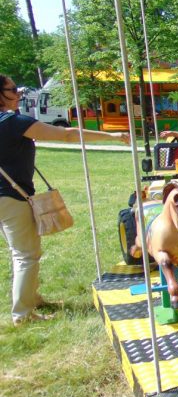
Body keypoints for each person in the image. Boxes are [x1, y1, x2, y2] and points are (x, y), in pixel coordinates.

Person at [0, 74, 130, 327]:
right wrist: (112, 137)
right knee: (26, 255)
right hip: (11, 198)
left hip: (6, 198)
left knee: (20, 252)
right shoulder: (14, 122)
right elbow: (67, 135)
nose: (19, 93)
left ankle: (31, 298)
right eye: (13, 89)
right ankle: (22, 315)